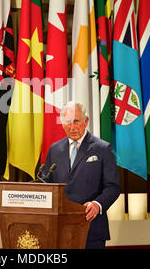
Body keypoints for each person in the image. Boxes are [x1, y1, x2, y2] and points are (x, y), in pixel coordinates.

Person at [42, 101, 120, 249]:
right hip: (59, 228)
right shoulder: (55, 150)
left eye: (76, 121)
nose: (72, 127)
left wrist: (97, 205)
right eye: (68, 122)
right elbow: (46, 184)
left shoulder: (102, 149)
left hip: (92, 228)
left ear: (86, 121)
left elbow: (113, 187)